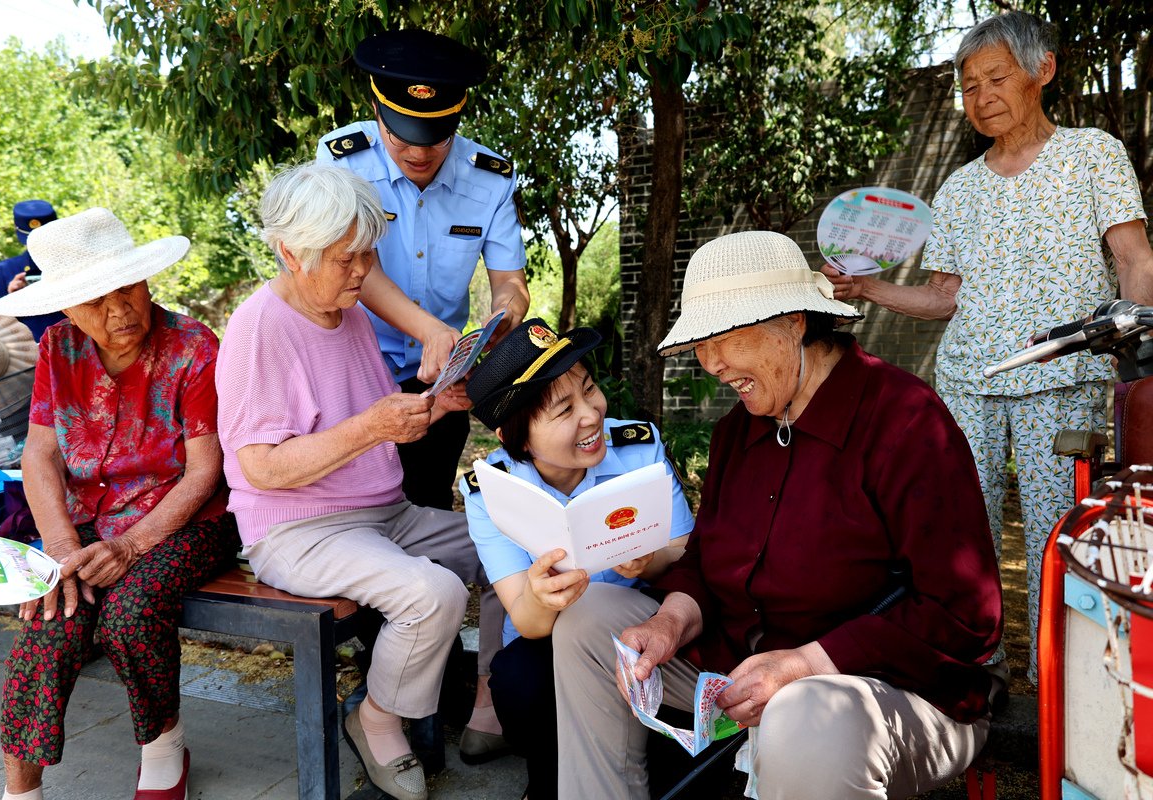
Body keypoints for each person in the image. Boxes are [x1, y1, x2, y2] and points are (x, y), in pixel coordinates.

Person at [553, 231, 1003, 800]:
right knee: (590, 621)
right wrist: (671, 621)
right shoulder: (734, 433)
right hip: (744, 669)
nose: (711, 364)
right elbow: (704, 561)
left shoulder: (907, 421)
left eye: (725, 338)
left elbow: (966, 615)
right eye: (700, 342)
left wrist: (806, 665)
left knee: (804, 713)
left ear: (794, 321)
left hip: (892, 687)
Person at [822, 10, 1153, 685]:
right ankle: (977, 671)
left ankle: (1061, 689)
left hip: (1064, 380)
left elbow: (1134, 261)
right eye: (968, 86)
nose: (982, 97)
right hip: (970, 384)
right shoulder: (959, 188)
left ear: (1043, 70)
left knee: (1058, 537)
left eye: (996, 77)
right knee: (957, 539)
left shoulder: (1092, 154)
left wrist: (1136, 359)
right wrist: (870, 289)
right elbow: (945, 299)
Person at [214, 162, 507, 800]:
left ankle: (492, 700)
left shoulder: (344, 313)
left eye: (368, 254)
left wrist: (433, 405)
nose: (361, 271)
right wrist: (371, 427)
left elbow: (376, 421)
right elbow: (259, 467)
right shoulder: (258, 328)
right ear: (291, 252)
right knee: (431, 594)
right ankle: (375, 715)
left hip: (381, 512)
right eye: (346, 258)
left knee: (514, 542)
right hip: (298, 529)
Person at [0, 208, 239, 800]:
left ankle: (164, 748)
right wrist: (59, 547)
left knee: (130, 616)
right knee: (47, 626)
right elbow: (40, 456)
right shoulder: (58, 346)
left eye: (127, 287)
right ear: (68, 307)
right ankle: (19, 792)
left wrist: (130, 544)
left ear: (147, 279)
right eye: (95, 300)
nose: (119, 309)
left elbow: (206, 471)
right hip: (82, 527)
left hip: (184, 521)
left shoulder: (193, 348)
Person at [459, 318, 694, 799]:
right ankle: (548, 778)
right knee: (520, 682)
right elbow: (525, 619)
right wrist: (543, 597)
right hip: (547, 638)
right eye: (565, 410)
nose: (591, 415)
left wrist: (647, 562)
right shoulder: (492, 492)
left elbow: (685, 552)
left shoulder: (637, 448)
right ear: (518, 437)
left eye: (590, 390)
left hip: (638, 622)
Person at [316, 28, 530, 511]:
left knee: (429, 506)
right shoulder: (340, 165)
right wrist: (432, 329)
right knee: (355, 514)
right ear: (377, 111)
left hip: (441, 382)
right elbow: (349, 268)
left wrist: (505, 318)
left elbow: (510, 281)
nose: (418, 153)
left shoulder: (489, 178)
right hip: (355, 373)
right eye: (401, 136)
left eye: (437, 139)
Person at [0, 200, 65, 343]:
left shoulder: (73, 264)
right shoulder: (5, 268)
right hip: (25, 351)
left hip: (74, 345)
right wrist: (10, 298)